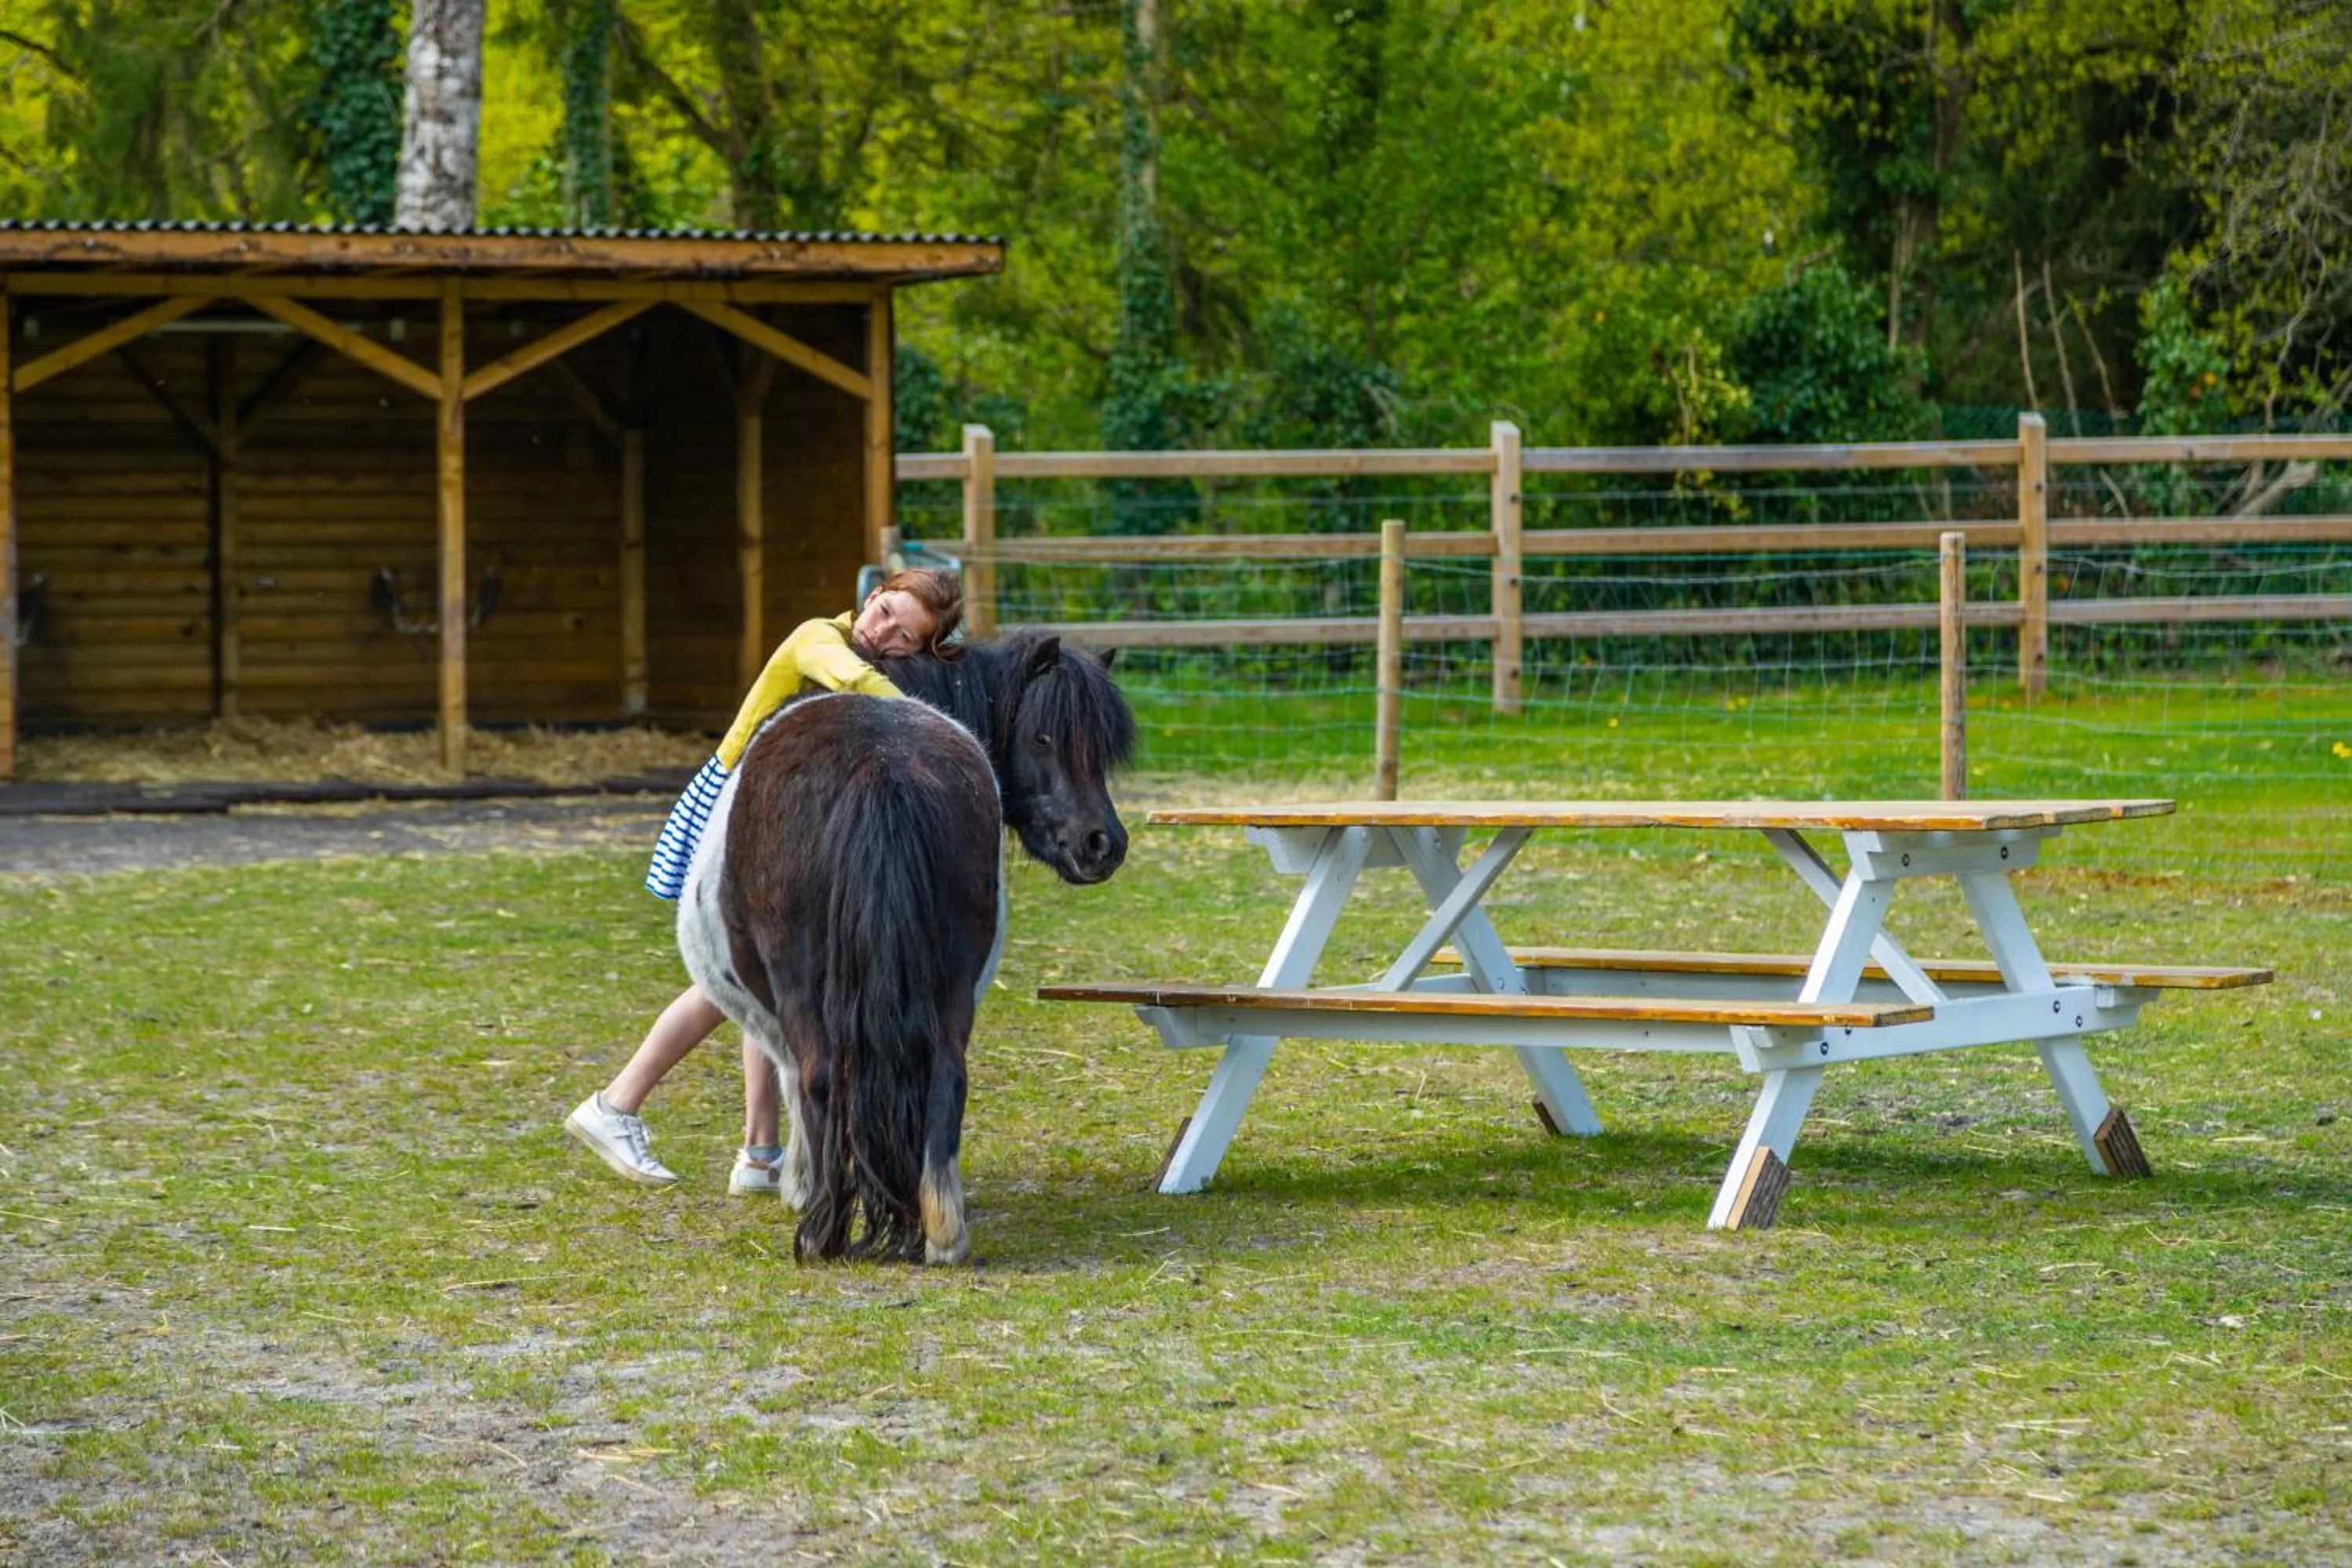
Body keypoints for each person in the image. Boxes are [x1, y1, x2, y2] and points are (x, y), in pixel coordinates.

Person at [565, 568, 964, 1194]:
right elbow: (851, 679)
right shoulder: (818, 637)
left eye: (904, 638)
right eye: (885, 611)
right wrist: (934, 729)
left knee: (770, 984)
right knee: (728, 981)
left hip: (778, 814)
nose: (883, 631)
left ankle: (760, 1152)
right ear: (871, 593)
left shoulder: (870, 654)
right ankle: (616, 1104)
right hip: (734, 805)